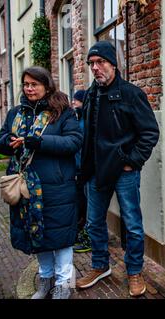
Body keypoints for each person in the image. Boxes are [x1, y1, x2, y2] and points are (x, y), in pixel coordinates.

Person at [75, 41, 160, 297]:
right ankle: (100, 265)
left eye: (100, 62)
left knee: (133, 224)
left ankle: (134, 271)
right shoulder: (90, 94)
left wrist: (130, 161)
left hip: (124, 172)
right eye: (92, 64)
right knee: (93, 223)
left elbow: (149, 132)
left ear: (113, 63)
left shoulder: (131, 93)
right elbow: (87, 135)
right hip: (95, 172)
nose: (96, 68)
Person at [0, 66, 83, 299]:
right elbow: (0, 140)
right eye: (26, 84)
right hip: (26, 188)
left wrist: (39, 141)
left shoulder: (61, 111)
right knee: (38, 235)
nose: (29, 88)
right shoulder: (15, 113)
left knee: (61, 236)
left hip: (57, 187)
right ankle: (45, 279)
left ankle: (63, 283)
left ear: (46, 86)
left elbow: (74, 142)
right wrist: (8, 142)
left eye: (34, 84)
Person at [71, 90, 92, 253]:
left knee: (86, 205)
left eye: (76, 101)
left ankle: (88, 237)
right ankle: (83, 233)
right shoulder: (79, 119)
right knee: (82, 203)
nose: (73, 103)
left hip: (84, 170)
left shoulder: (85, 121)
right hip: (78, 169)